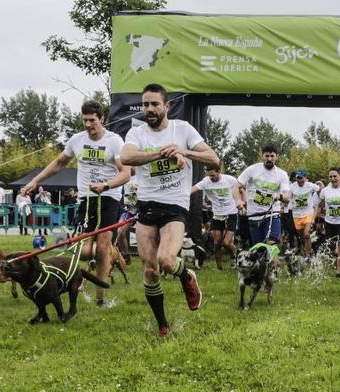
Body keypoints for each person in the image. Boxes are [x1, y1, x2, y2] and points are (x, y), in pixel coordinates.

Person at [120, 83, 219, 337]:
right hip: (146, 205)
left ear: (167, 106)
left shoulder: (182, 129)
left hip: (175, 205)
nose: (149, 109)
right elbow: (127, 158)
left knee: (166, 260)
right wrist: (159, 155)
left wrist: (183, 150)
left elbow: (213, 159)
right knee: (150, 270)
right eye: (145, 104)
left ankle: (187, 275)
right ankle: (162, 325)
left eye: (154, 104)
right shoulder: (138, 133)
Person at [21, 99, 130, 306]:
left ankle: (100, 297)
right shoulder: (77, 140)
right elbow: (59, 162)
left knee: (101, 250)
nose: (88, 125)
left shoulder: (115, 141)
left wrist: (106, 185)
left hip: (108, 198)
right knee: (84, 251)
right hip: (86, 200)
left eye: (92, 120)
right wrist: (35, 181)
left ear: (102, 119)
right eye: (85, 120)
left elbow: (126, 173)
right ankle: (91, 271)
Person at [237, 144, 291, 246]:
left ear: (276, 157)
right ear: (262, 156)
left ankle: (273, 259)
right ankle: (273, 261)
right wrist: (239, 201)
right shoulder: (252, 170)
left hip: (272, 214)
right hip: (254, 215)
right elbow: (236, 186)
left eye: (272, 156)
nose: (269, 159)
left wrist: (278, 196)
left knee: (271, 243)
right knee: (259, 249)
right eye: (267, 156)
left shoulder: (282, 174)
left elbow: (287, 197)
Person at [192, 163, 241, 269]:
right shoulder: (206, 181)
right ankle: (219, 268)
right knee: (217, 243)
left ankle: (235, 256)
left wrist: (242, 203)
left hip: (231, 213)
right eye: (210, 176)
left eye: (213, 176)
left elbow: (241, 189)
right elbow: (193, 189)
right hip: (217, 215)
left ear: (219, 172)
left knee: (226, 243)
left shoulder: (230, 180)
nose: (212, 178)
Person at [286, 169, 319, 257]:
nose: (299, 180)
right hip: (296, 215)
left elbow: (320, 190)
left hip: (308, 213)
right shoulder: (292, 187)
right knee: (302, 237)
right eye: (298, 178)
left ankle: (308, 255)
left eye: (301, 178)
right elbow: (288, 196)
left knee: (306, 234)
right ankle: (309, 248)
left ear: (305, 178)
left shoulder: (310, 186)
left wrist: (319, 200)